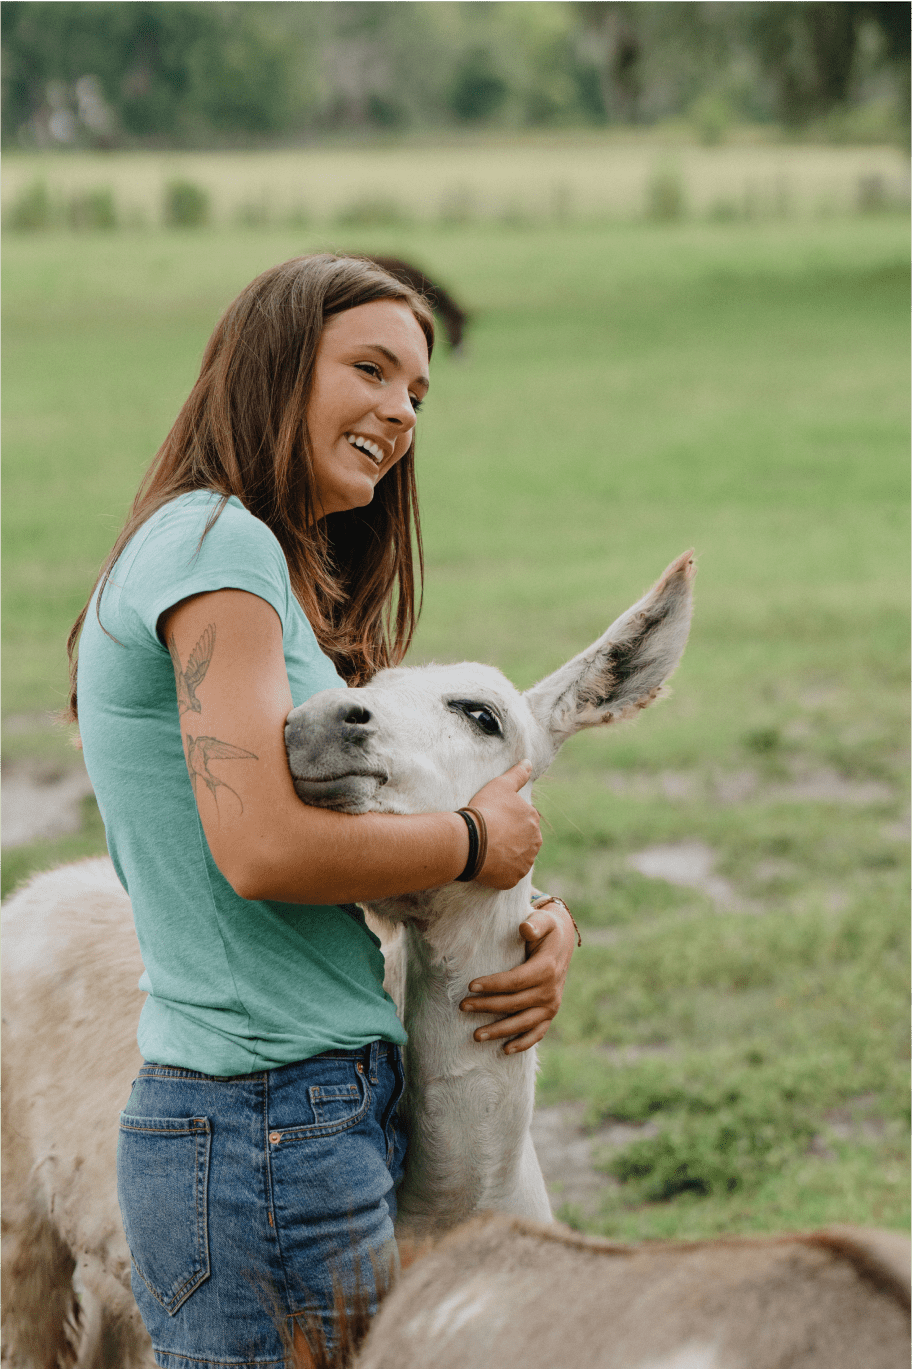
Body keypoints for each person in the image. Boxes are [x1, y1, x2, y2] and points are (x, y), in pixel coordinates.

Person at [66, 254, 577, 1367]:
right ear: (276, 366)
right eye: (372, 369)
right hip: (263, 1125)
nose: (400, 409)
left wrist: (536, 916)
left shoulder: (244, 559)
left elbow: (358, 845)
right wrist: (483, 843)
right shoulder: (220, 548)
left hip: (289, 1116)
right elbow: (262, 848)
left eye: (418, 394)